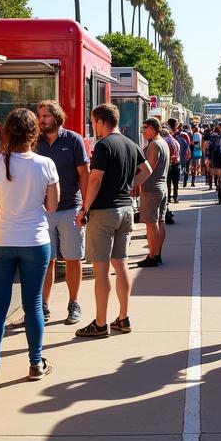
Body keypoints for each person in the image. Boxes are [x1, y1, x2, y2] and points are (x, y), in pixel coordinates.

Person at [0, 109, 59, 388]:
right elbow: (52, 206)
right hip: (35, 240)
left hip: (0, 239)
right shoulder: (45, 164)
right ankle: (36, 363)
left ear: (6, 132)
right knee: (33, 303)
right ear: (35, 132)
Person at [75, 104, 151, 338]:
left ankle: (100, 323)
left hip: (104, 212)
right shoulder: (131, 144)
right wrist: (129, 185)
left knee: (101, 269)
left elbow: (95, 179)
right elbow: (146, 170)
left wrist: (84, 208)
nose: (93, 126)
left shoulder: (103, 145)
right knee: (121, 263)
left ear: (100, 121)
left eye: (93, 122)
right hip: (125, 209)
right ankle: (123, 316)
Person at [35, 100, 90, 325]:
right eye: (39, 116)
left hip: (70, 208)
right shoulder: (34, 141)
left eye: (45, 116)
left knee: (72, 258)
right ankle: (43, 305)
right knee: (46, 260)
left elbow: (84, 174)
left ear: (57, 117)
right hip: (42, 210)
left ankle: (73, 303)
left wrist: (85, 207)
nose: (41, 120)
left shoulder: (73, 140)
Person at [137, 118, 170, 267]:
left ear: (152, 128)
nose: (143, 131)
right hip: (162, 187)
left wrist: (134, 183)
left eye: (145, 127)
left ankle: (152, 256)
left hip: (151, 189)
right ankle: (157, 254)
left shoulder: (154, 145)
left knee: (151, 223)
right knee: (160, 221)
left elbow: (148, 168)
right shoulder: (164, 143)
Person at [165, 119, 181, 203]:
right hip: (174, 162)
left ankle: (171, 197)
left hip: (172, 162)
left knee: (171, 181)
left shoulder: (173, 137)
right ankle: (173, 197)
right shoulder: (173, 138)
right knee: (174, 182)